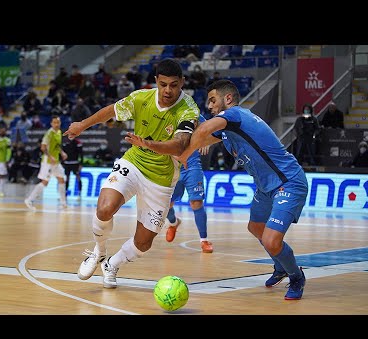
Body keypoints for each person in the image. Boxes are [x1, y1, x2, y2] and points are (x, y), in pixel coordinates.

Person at [160, 79, 308, 300]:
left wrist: (183, 154)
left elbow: (204, 130)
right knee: (255, 227)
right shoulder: (227, 128)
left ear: (227, 99)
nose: (209, 106)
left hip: (288, 182)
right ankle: (281, 266)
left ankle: (296, 276)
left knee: (271, 240)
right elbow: (203, 136)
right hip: (265, 187)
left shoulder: (236, 115)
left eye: (212, 100)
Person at [64, 58, 199, 289]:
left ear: (182, 83)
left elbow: (179, 145)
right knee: (104, 208)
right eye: (163, 84)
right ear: (156, 81)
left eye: (174, 85)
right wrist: (82, 125)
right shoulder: (140, 98)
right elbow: (111, 111)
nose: (168, 90)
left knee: (143, 243)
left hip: (161, 178)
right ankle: (99, 252)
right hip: (134, 163)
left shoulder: (188, 109)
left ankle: (112, 264)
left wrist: (148, 144)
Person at [165, 114, 213, 253]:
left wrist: (208, 141)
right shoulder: (164, 115)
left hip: (192, 165)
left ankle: (204, 240)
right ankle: (174, 223)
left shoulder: (193, 112)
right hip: (173, 166)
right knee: (166, 204)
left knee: (196, 202)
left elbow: (210, 128)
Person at [24, 115, 68, 211]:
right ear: (51, 123)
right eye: (55, 122)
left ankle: (63, 203)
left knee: (61, 179)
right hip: (48, 162)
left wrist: (62, 152)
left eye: (58, 122)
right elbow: (43, 147)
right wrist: (50, 156)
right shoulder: (49, 133)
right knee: (45, 182)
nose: (56, 124)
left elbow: (57, 146)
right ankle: (29, 200)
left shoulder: (59, 132)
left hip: (56, 161)